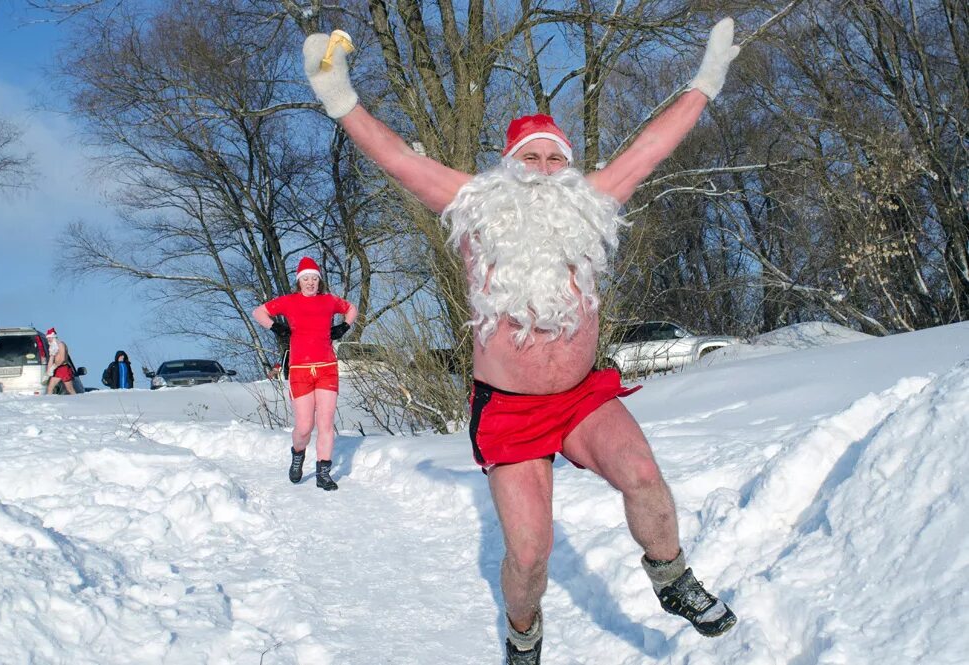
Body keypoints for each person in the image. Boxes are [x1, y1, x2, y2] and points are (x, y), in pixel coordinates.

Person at [302, 17, 741, 661]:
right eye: (529, 157)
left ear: (568, 165)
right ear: (509, 166)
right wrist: (342, 102)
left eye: (554, 157)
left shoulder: (591, 202)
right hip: (509, 409)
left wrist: (704, 82)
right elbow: (399, 158)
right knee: (531, 555)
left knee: (645, 479)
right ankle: (524, 633)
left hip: (581, 397)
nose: (542, 167)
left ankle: (672, 578)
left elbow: (651, 147)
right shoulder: (475, 205)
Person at [252, 257, 358, 490]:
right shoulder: (289, 301)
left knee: (326, 422)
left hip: (327, 369)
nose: (310, 282)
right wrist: (275, 326)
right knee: (304, 426)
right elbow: (258, 312)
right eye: (306, 279)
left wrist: (344, 326)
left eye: (314, 278)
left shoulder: (329, 301)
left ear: (319, 281)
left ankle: (323, 473)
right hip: (300, 370)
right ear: (299, 281)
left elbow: (351, 308)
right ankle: (298, 455)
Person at [44, 328, 77, 395]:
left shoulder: (61, 344)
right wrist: (47, 373)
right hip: (57, 369)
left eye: (49, 338)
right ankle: (49, 402)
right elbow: (51, 359)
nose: (48, 340)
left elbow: (63, 359)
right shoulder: (52, 347)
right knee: (50, 388)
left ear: (53, 337)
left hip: (64, 368)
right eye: (47, 338)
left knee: (70, 389)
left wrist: (53, 367)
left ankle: (79, 401)